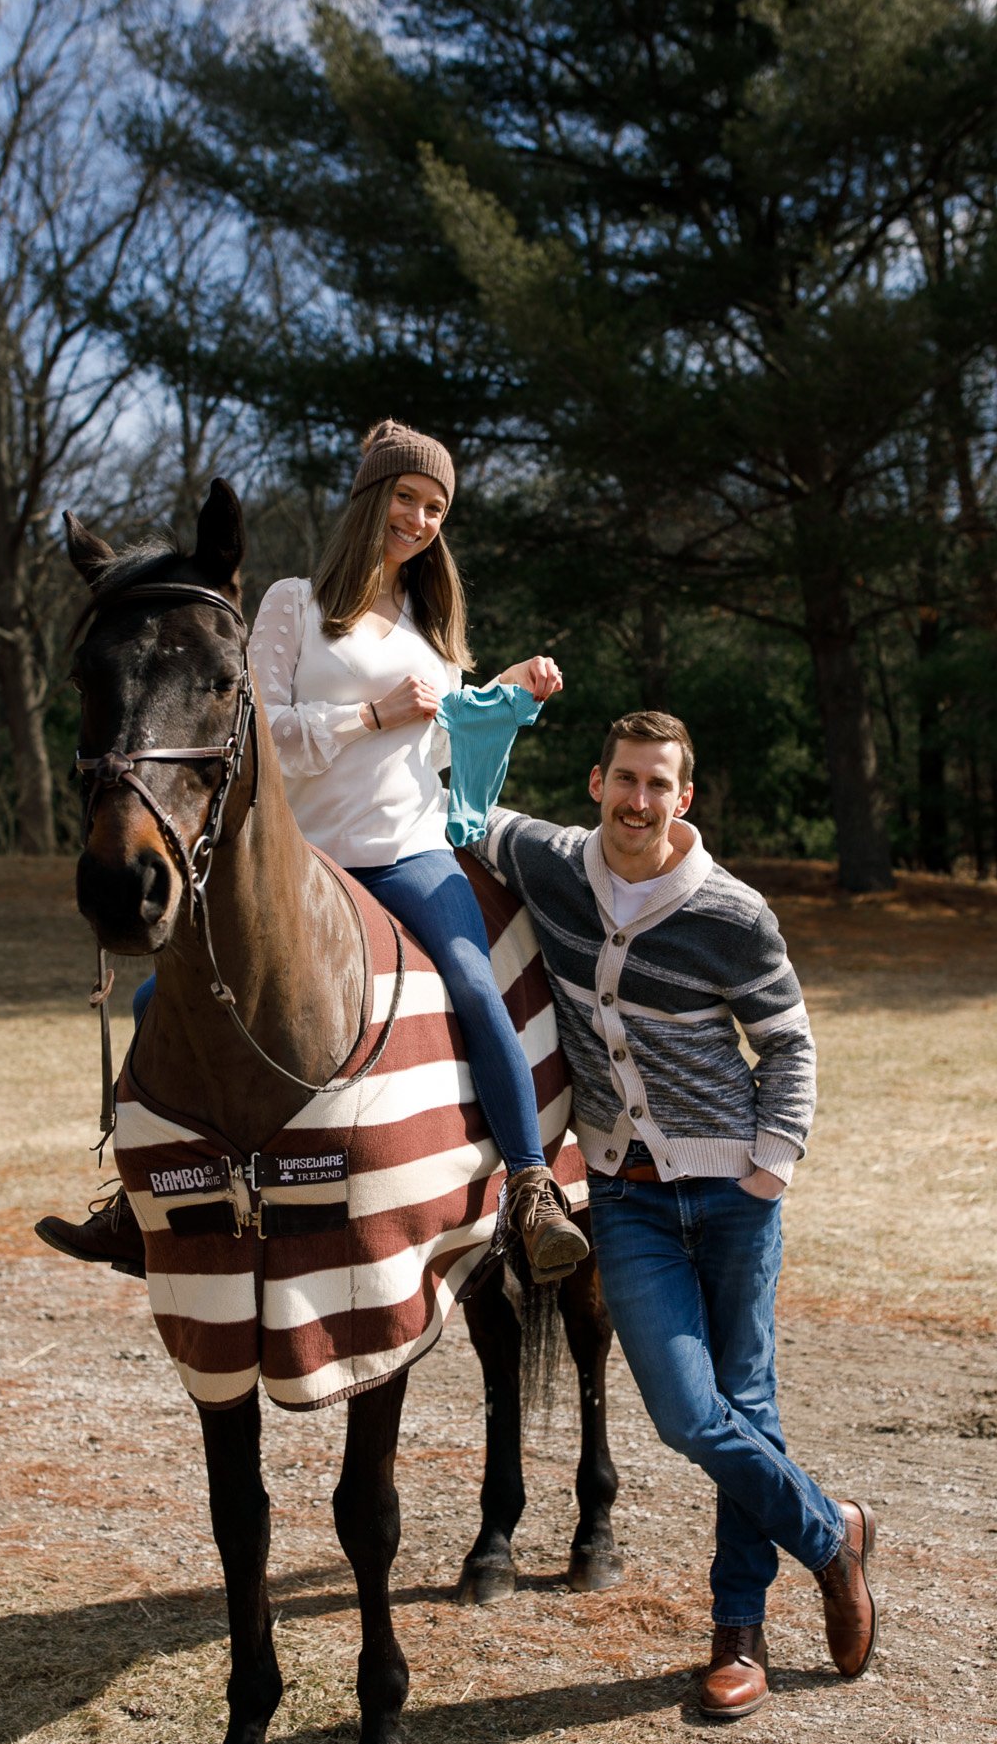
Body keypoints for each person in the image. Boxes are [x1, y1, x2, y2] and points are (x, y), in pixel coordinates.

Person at [37, 420, 590, 1285]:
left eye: (435, 506)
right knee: (156, 1001)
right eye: (405, 496)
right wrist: (367, 717)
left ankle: (528, 1186)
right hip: (306, 855)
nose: (418, 517)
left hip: (405, 849)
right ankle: (138, 1203)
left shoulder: (433, 621)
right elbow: (258, 736)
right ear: (371, 498)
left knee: (476, 984)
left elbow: (436, 752)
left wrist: (501, 696)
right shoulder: (293, 603)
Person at [467, 710, 876, 1716]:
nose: (638, 800)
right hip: (627, 1202)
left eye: (659, 785)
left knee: (750, 1406)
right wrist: (486, 701)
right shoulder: (556, 864)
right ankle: (833, 1534)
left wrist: (769, 1169)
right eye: (624, 780)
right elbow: (458, 812)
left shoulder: (730, 912)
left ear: (682, 799)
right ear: (597, 783)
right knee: (690, 1416)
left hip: (734, 1196)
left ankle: (738, 1635)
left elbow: (789, 1044)